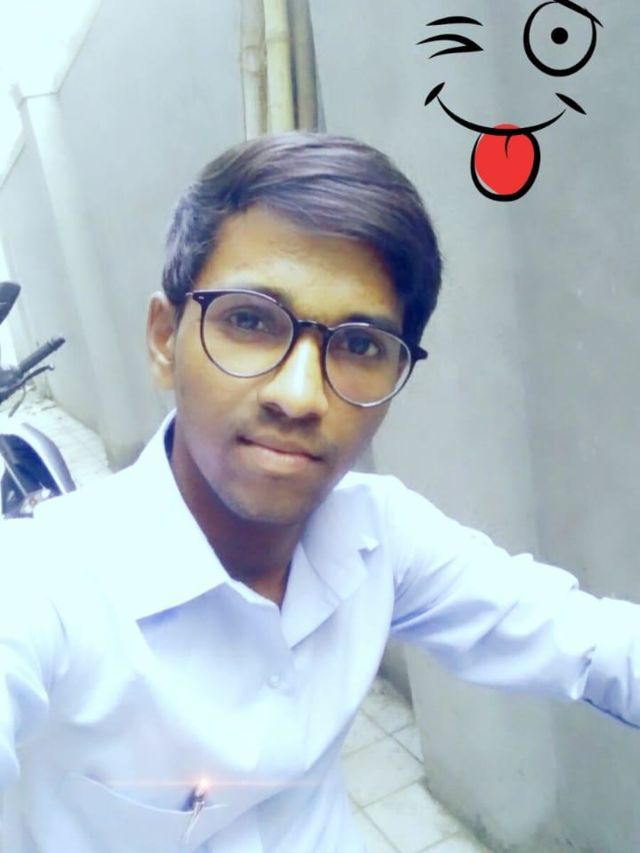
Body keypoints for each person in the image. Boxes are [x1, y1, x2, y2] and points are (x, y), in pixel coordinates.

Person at [0, 131, 638, 853]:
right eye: (249, 320)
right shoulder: (45, 585)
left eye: (360, 344)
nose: (301, 395)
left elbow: (590, 643)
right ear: (163, 339)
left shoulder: (378, 535)